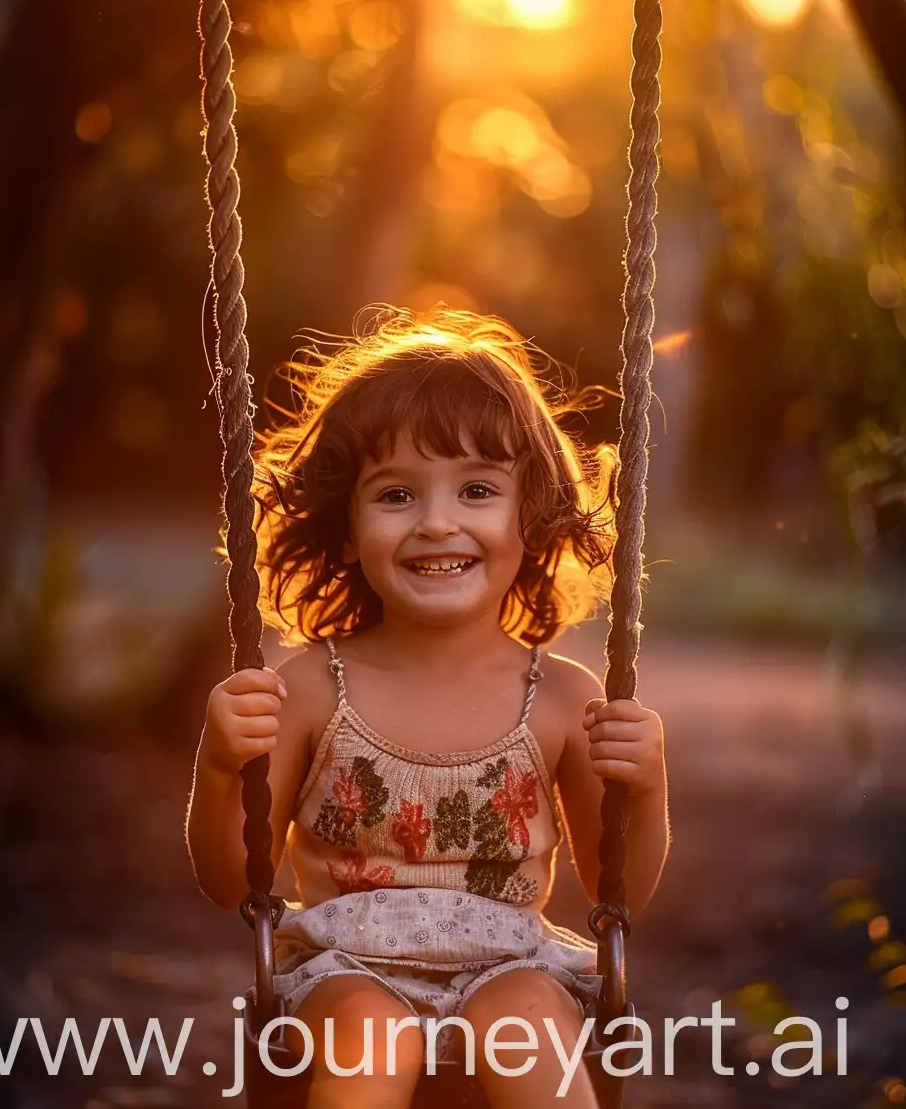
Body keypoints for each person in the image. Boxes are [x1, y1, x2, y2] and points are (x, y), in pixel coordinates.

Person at [187, 311, 667, 1107]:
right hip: (348, 973)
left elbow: (622, 895)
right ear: (347, 529)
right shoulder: (308, 690)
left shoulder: (563, 701)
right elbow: (232, 881)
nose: (437, 521)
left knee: (530, 1028)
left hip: (510, 965)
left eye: (477, 490)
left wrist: (645, 787)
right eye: (397, 494)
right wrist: (218, 763)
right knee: (371, 1036)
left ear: (532, 517)